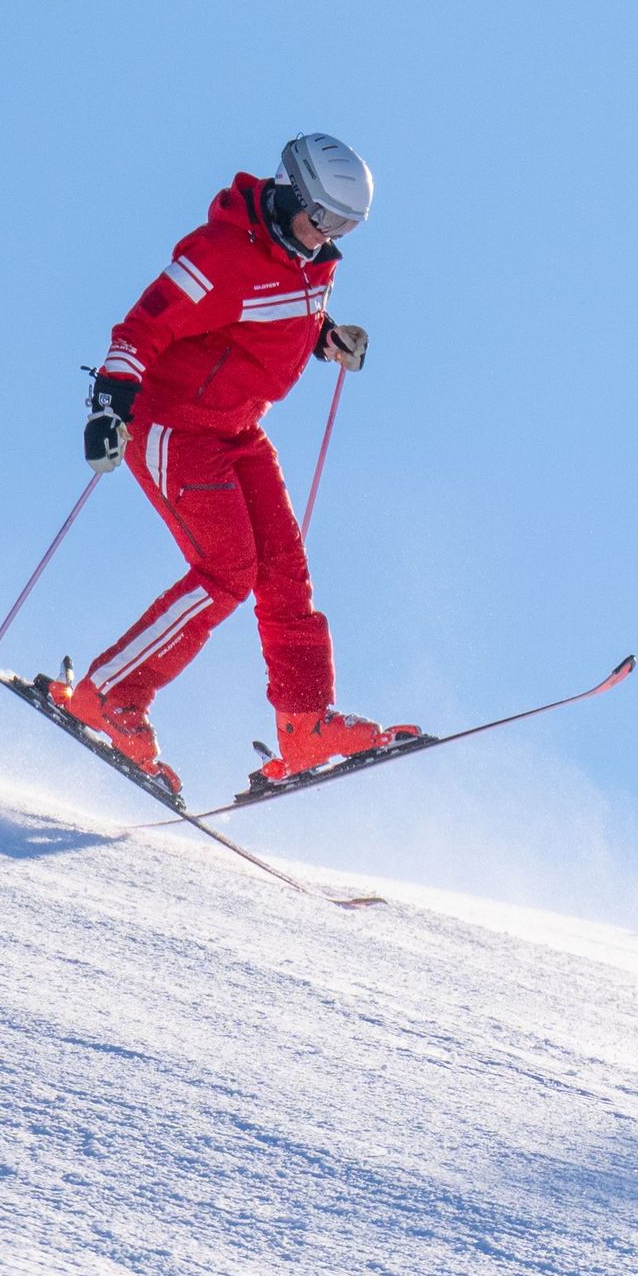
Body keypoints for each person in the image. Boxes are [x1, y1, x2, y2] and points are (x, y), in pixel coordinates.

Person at [48, 133, 419, 802]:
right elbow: (140, 330)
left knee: (283, 568)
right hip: (171, 424)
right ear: (290, 194)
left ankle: (304, 724)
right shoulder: (218, 256)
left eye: (346, 226)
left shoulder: (313, 260)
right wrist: (107, 407)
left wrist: (326, 337)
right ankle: (109, 695)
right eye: (323, 217)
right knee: (227, 570)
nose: (329, 235)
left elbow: (270, 317)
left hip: (237, 428)